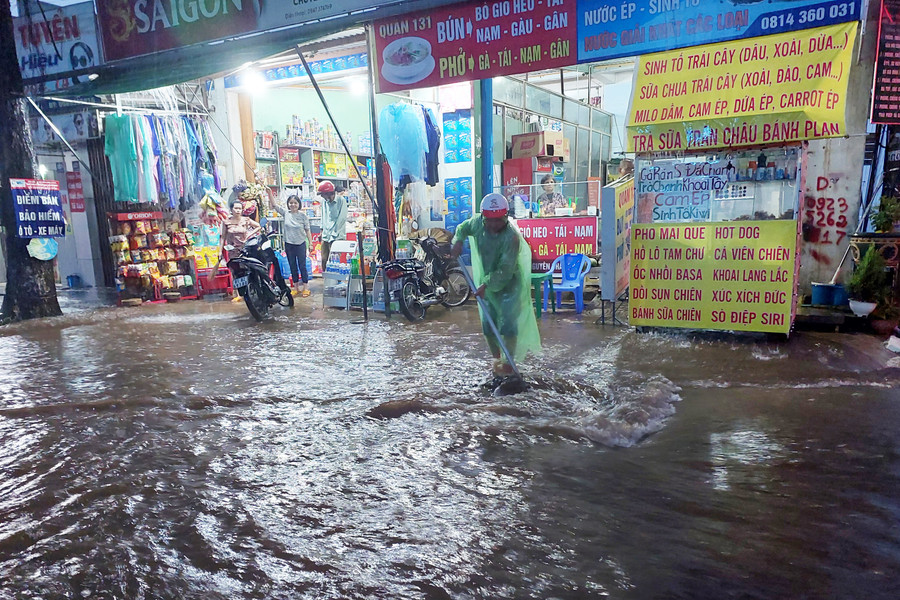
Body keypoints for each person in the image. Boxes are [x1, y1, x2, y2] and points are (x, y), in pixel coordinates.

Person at [451, 193, 541, 377]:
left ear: (505, 217)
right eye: (489, 220)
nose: (493, 225)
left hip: (509, 284)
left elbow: (505, 270)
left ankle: (508, 363)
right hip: (487, 284)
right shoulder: (477, 223)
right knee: (488, 323)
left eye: (498, 220)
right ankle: (497, 360)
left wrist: (485, 284)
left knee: (508, 323)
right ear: (484, 216)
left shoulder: (511, 238)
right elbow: (462, 228)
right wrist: (458, 241)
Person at [269, 193, 312, 297]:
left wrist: (310, 244)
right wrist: (269, 192)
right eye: (291, 203)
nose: (293, 205)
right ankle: (295, 287)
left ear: (299, 204)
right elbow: (274, 205)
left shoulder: (303, 216)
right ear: (288, 204)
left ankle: (305, 288)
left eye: (295, 203)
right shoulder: (286, 213)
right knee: (292, 266)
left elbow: (307, 230)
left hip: (301, 243)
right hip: (289, 244)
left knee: (302, 266)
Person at [319, 180, 347, 271]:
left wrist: (335, 233)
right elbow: (323, 216)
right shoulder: (324, 202)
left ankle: (336, 281)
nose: (322, 196)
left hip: (337, 235)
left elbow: (342, 218)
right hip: (326, 235)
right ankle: (327, 280)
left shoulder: (341, 200)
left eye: (323, 194)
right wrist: (322, 230)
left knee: (334, 261)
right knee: (324, 260)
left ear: (328, 193)